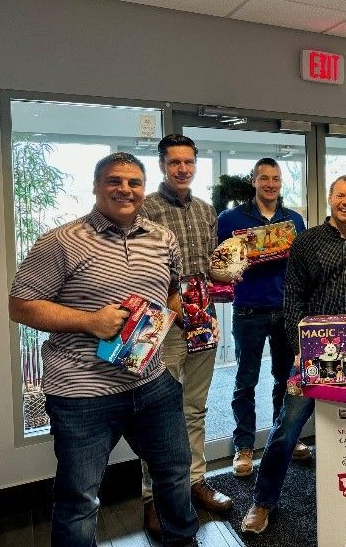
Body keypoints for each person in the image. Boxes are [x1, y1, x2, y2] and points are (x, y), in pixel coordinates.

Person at [8, 153, 198, 547]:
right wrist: (89, 322)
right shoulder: (62, 240)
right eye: (114, 181)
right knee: (79, 498)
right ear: (96, 186)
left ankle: (183, 541)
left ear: (144, 189)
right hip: (82, 392)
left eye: (134, 182)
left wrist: (179, 316)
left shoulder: (162, 238)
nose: (124, 190)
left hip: (152, 382)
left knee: (175, 474)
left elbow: (170, 293)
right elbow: (21, 304)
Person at [240, 175, 346, 534]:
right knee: (288, 426)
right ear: (329, 198)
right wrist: (297, 348)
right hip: (314, 347)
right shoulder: (307, 241)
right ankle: (262, 502)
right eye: (340, 195)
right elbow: (291, 298)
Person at [137, 135, 229, 535]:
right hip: (163, 322)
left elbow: (211, 267)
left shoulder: (207, 210)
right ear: (161, 165)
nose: (182, 169)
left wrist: (230, 270)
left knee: (195, 408)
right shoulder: (144, 209)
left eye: (189, 162)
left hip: (202, 317)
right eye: (174, 162)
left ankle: (195, 481)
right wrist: (171, 304)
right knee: (158, 412)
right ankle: (154, 496)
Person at [217, 158, 307, 477]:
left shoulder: (293, 220)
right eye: (264, 178)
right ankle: (243, 447)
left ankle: (284, 438)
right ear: (253, 181)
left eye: (276, 179)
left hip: (285, 310)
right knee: (245, 381)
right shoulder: (230, 219)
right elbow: (218, 265)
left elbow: (303, 266)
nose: (270, 184)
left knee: (285, 379)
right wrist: (229, 273)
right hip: (248, 310)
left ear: (281, 183)